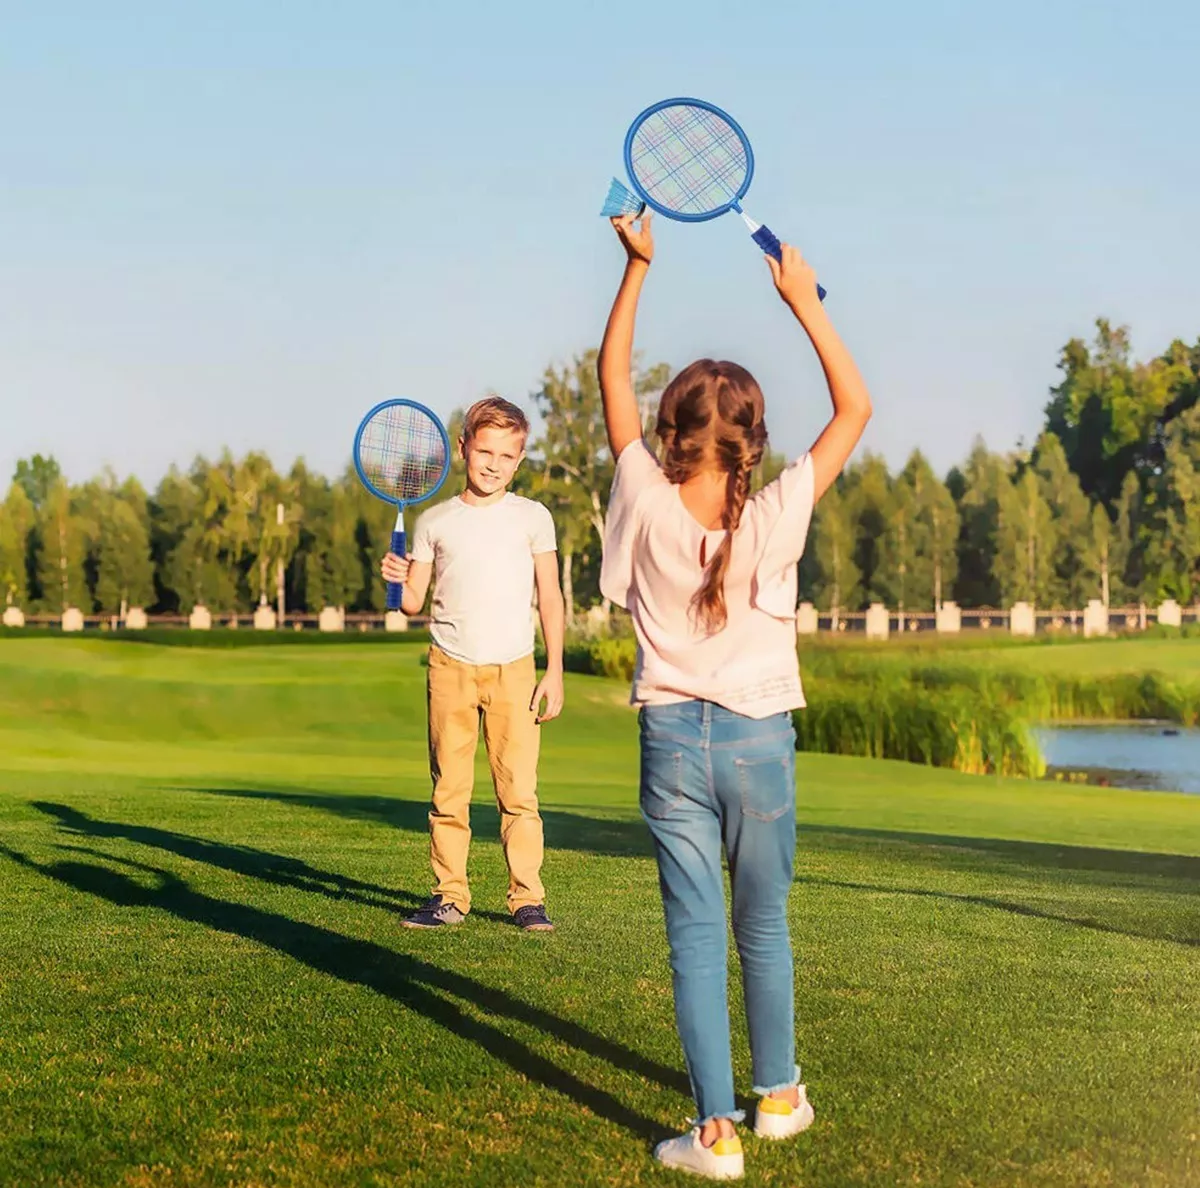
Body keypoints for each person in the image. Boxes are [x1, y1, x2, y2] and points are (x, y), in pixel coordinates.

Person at [598, 211, 872, 1178]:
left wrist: (636, 269)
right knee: (763, 924)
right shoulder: (780, 507)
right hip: (762, 742)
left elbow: (610, 389)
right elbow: (856, 409)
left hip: (672, 738)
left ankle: (712, 1136)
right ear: (754, 437)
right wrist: (804, 303)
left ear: (672, 433)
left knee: (695, 936)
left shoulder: (638, 488)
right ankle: (781, 1099)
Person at [382, 396, 565, 932]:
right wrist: (396, 577)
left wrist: (554, 670)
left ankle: (527, 898)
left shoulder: (534, 518)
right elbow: (412, 601)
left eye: (506, 456)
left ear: (521, 457)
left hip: (515, 669)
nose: (493, 464)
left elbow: (550, 596)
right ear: (463, 448)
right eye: (484, 451)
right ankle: (449, 896)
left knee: (519, 793)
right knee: (448, 791)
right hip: (450, 667)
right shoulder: (435, 521)